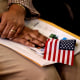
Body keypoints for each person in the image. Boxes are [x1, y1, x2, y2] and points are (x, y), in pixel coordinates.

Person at [0, 0, 61, 80]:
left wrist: (18, 7)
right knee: (43, 74)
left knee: (75, 58)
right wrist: (8, 28)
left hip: (11, 9)